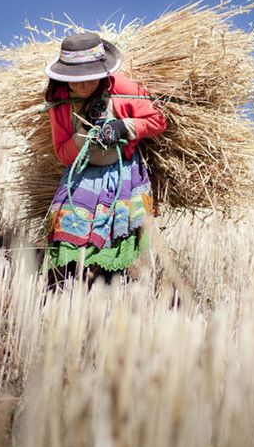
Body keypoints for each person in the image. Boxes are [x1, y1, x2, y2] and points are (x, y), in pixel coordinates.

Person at [43, 32, 166, 285]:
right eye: (75, 80)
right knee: (68, 234)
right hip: (82, 175)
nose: (82, 86)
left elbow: (157, 120)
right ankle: (64, 290)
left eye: (88, 79)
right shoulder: (60, 102)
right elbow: (62, 153)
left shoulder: (122, 87)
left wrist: (123, 128)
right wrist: (83, 136)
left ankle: (109, 291)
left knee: (115, 238)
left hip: (121, 173)